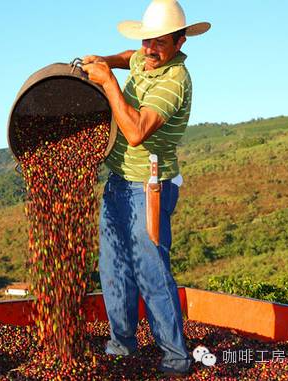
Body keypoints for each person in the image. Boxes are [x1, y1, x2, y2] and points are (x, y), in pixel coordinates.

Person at [81, 0, 210, 377]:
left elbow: (136, 132)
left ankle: (175, 358)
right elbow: (129, 57)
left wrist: (107, 83)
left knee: (151, 272)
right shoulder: (144, 56)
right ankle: (121, 344)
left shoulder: (174, 82)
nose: (150, 50)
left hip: (149, 187)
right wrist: (104, 61)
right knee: (114, 268)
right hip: (118, 182)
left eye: (160, 44)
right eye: (146, 41)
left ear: (181, 42)